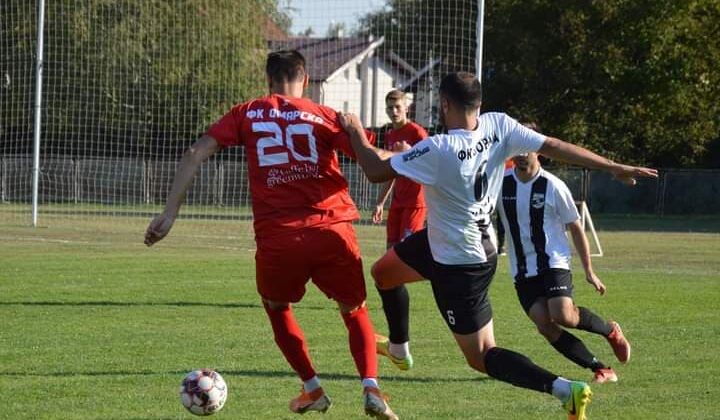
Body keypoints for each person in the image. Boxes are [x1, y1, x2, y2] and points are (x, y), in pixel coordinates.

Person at [338, 72, 657, 420]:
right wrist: (611, 166)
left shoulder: (439, 148)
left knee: (481, 355)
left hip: (460, 263)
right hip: (452, 241)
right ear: (479, 103)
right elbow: (552, 145)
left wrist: (355, 130)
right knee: (384, 273)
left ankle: (565, 390)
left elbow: (374, 170)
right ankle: (399, 349)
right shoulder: (498, 126)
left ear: (444, 104)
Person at [144, 50, 398, 420]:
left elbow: (195, 152)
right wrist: (407, 153)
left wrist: (169, 214)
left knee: (277, 308)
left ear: (269, 81)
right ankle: (371, 388)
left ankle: (312, 388)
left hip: (280, 238)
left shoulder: (247, 113)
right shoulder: (326, 115)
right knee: (354, 310)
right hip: (332, 230)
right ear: (305, 80)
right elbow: (372, 158)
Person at [498, 147, 630, 384]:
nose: (521, 154)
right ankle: (601, 368)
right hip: (521, 268)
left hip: (553, 261)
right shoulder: (500, 182)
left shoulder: (553, 186)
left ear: (538, 151)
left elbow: (576, 227)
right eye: (517, 148)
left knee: (563, 316)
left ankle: (610, 331)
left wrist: (589, 271)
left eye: (526, 148)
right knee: (544, 324)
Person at [371, 89, 429, 371]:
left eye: (398, 107)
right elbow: (392, 170)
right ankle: (395, 308)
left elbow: (431, 164)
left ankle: (436, 272)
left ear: (407, 108)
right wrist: (381, 201)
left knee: (406, 259)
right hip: (397, 204)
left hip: (415, 204)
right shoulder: (390, 135)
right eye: (389, 107)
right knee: (389, 262)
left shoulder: (417, 133)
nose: (394, 111)